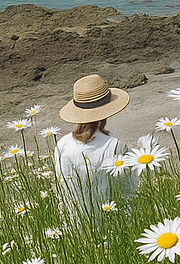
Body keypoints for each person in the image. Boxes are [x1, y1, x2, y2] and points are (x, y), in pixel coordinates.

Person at [54, 74, 133, 214]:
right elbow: (129, 190)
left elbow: (62, 191)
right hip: (111, 223)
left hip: (72, 226)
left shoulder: (62, 145)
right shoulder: (114, 145)